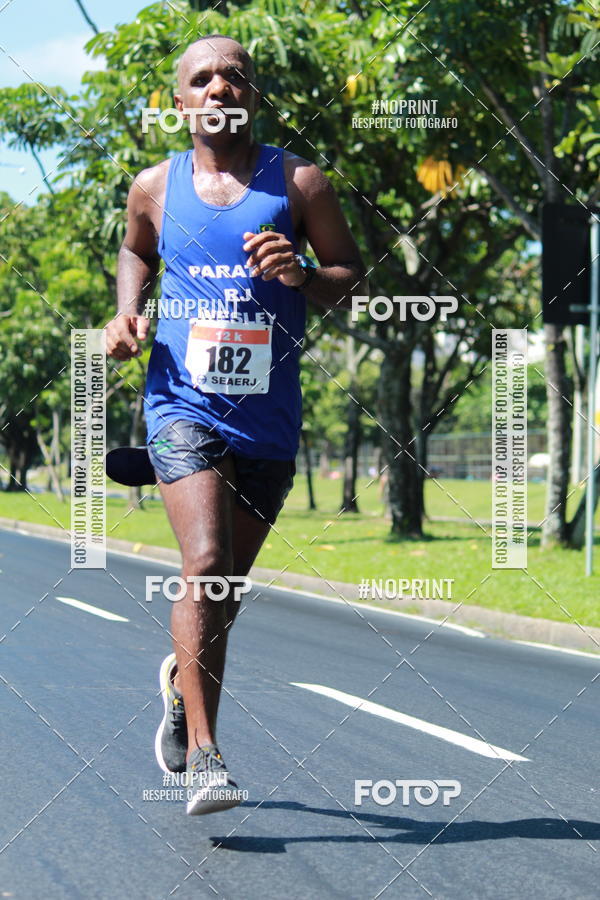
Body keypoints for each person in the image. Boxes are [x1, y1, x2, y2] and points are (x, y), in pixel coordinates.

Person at [105, 33, 367, 815]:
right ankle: (211, 759)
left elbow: (349, 280)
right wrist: (128, 311)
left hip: (268, 421)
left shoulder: (300, 182)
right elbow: (134, 250)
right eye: (202, 79)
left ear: (253, 96)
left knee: (222, 591)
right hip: (180, 402)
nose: (219, 87)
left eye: (235, 77)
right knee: (206, 561)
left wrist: (303, 274)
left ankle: (180, 687)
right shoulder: (155, 185)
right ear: (180, 101)